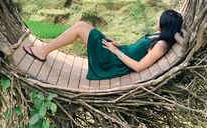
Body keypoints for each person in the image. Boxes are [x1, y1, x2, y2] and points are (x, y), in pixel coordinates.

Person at [23, 10, 183, 80]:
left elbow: (139, 66)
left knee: (80, 27)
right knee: (84, 26)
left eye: (160, 18)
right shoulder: (159, 36)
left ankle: (43, 51)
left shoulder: (161, 45)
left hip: (114, 62)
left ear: (165, 24)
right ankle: (44, 50)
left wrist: (116, 52)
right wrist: (118, 45)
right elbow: (138, 49)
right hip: (117, 52)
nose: (157, 20)